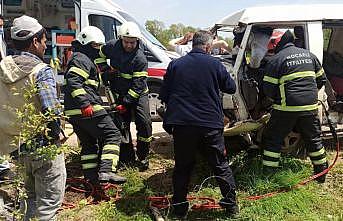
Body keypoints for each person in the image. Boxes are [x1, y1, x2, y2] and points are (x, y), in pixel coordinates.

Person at [160, 30, 239, 218]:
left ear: (193, 44)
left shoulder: (175, 64)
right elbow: (231, 87)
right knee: (220, 164)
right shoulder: (215, 64)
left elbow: (163, 95)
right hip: (210, 125)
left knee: (182, 167)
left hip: (182, 125)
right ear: (208, 46)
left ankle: (179, 208)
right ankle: (231, 206)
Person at [0, 15, 66, 220]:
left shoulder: (2, 68)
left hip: (15, 148)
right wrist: (58, 133)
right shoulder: (41, 71)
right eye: (45, 41)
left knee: (28, 200)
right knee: (48, 206)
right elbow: (51, 109)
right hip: (42, 148)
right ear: (35, 41)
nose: (46, 46)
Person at [262, 30, 328, 183]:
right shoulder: (309, 55)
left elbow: (268, 89)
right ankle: (321, 175)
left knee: (273, 139)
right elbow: (321, 80)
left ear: (278, 43)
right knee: (314, 140)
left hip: (286, 109)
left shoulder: (276, 59)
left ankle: (269, 176)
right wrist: (306, 97)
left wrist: (280, 99)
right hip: (310, 108)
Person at [64, 26, 126, 185]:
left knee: (89, 144)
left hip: (74, 111)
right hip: (86, 108)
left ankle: (91, 178)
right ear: (85, 43)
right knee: (113, 135)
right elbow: (73, 82)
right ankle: (107, 171)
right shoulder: (82, 59)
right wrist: (85, 104)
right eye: (95, 46)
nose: (98, 50)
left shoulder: (81, 57)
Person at [96, 21, 152, 171]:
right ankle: (127, 158)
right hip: (119, 91)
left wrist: (126, 103)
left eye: (132, 42)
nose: (129, 45)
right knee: (122, 125)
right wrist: (105, 70)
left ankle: (143, 156)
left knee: (144, 123)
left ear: (137, 41)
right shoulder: (112, 46)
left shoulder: (140, 58)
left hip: (138, 94)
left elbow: (138, 85)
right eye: (126, 42)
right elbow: (99, 54)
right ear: (121, 39)